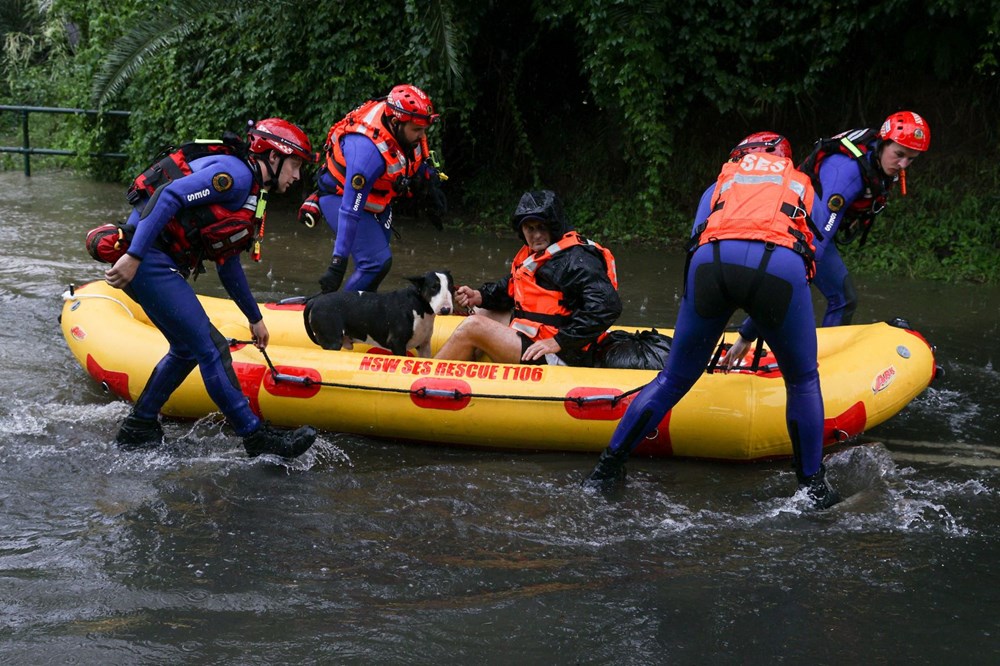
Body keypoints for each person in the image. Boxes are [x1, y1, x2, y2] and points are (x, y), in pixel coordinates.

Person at [583, 133, 841, 508]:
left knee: (672, 378)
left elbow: (697, 242)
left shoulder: (721, 183)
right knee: (802, 381)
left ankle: (606, 470)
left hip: (710, 264)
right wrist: (752, 331)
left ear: (740, 155)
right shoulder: (801, 185)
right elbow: (811, 257)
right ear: (782, 157)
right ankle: (812, 488)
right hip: (779, 266)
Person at [103, 118, 319, 459]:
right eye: (294, 166)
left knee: (187, 348)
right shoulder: (236, 176)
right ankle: (254, 436)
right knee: (212, 347)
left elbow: (228, 260)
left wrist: (254, 317)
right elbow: (169, 195)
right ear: (274, 157)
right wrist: (134, 255)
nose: (296, 177)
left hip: (155, 259)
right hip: (148, 259)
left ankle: (139, 426)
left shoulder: (249, 191)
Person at [435, 190, 621, 366]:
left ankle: (423, 380)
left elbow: (607, 306)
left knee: (473, 326)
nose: (537, 235)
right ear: (521, 230)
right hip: (543, 336)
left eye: (542, 227)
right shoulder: (538, 253)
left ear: (554, 226)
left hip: (567, 353)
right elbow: (513, 287)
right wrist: (480, 295)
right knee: (480, 312)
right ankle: (464, 379)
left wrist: (559, 341)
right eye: (530, 229)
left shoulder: (576, 260)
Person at [308, 84, 447, 293]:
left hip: (377, 201)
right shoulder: (368, 153)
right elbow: (350, 211)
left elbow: (408, 160)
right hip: (341, 198)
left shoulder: (401, 123)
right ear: (394, 122)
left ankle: (361, 310)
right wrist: (337, 265)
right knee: (375, 263)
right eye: (417, 130)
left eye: (424, 130)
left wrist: (424, 180)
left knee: (380, 264)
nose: (422, 136)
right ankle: (337, 312)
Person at [797, 110, 931, 327]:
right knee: (839, 299)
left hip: (813, 228)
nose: (903, 165)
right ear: (883, 143)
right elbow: (818, 234)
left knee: (841, 298)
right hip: (800, 230)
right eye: (899, 154)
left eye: (911, 159)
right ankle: (752, 337)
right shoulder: (847, 171)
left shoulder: (876, 160)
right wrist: (798, 276)